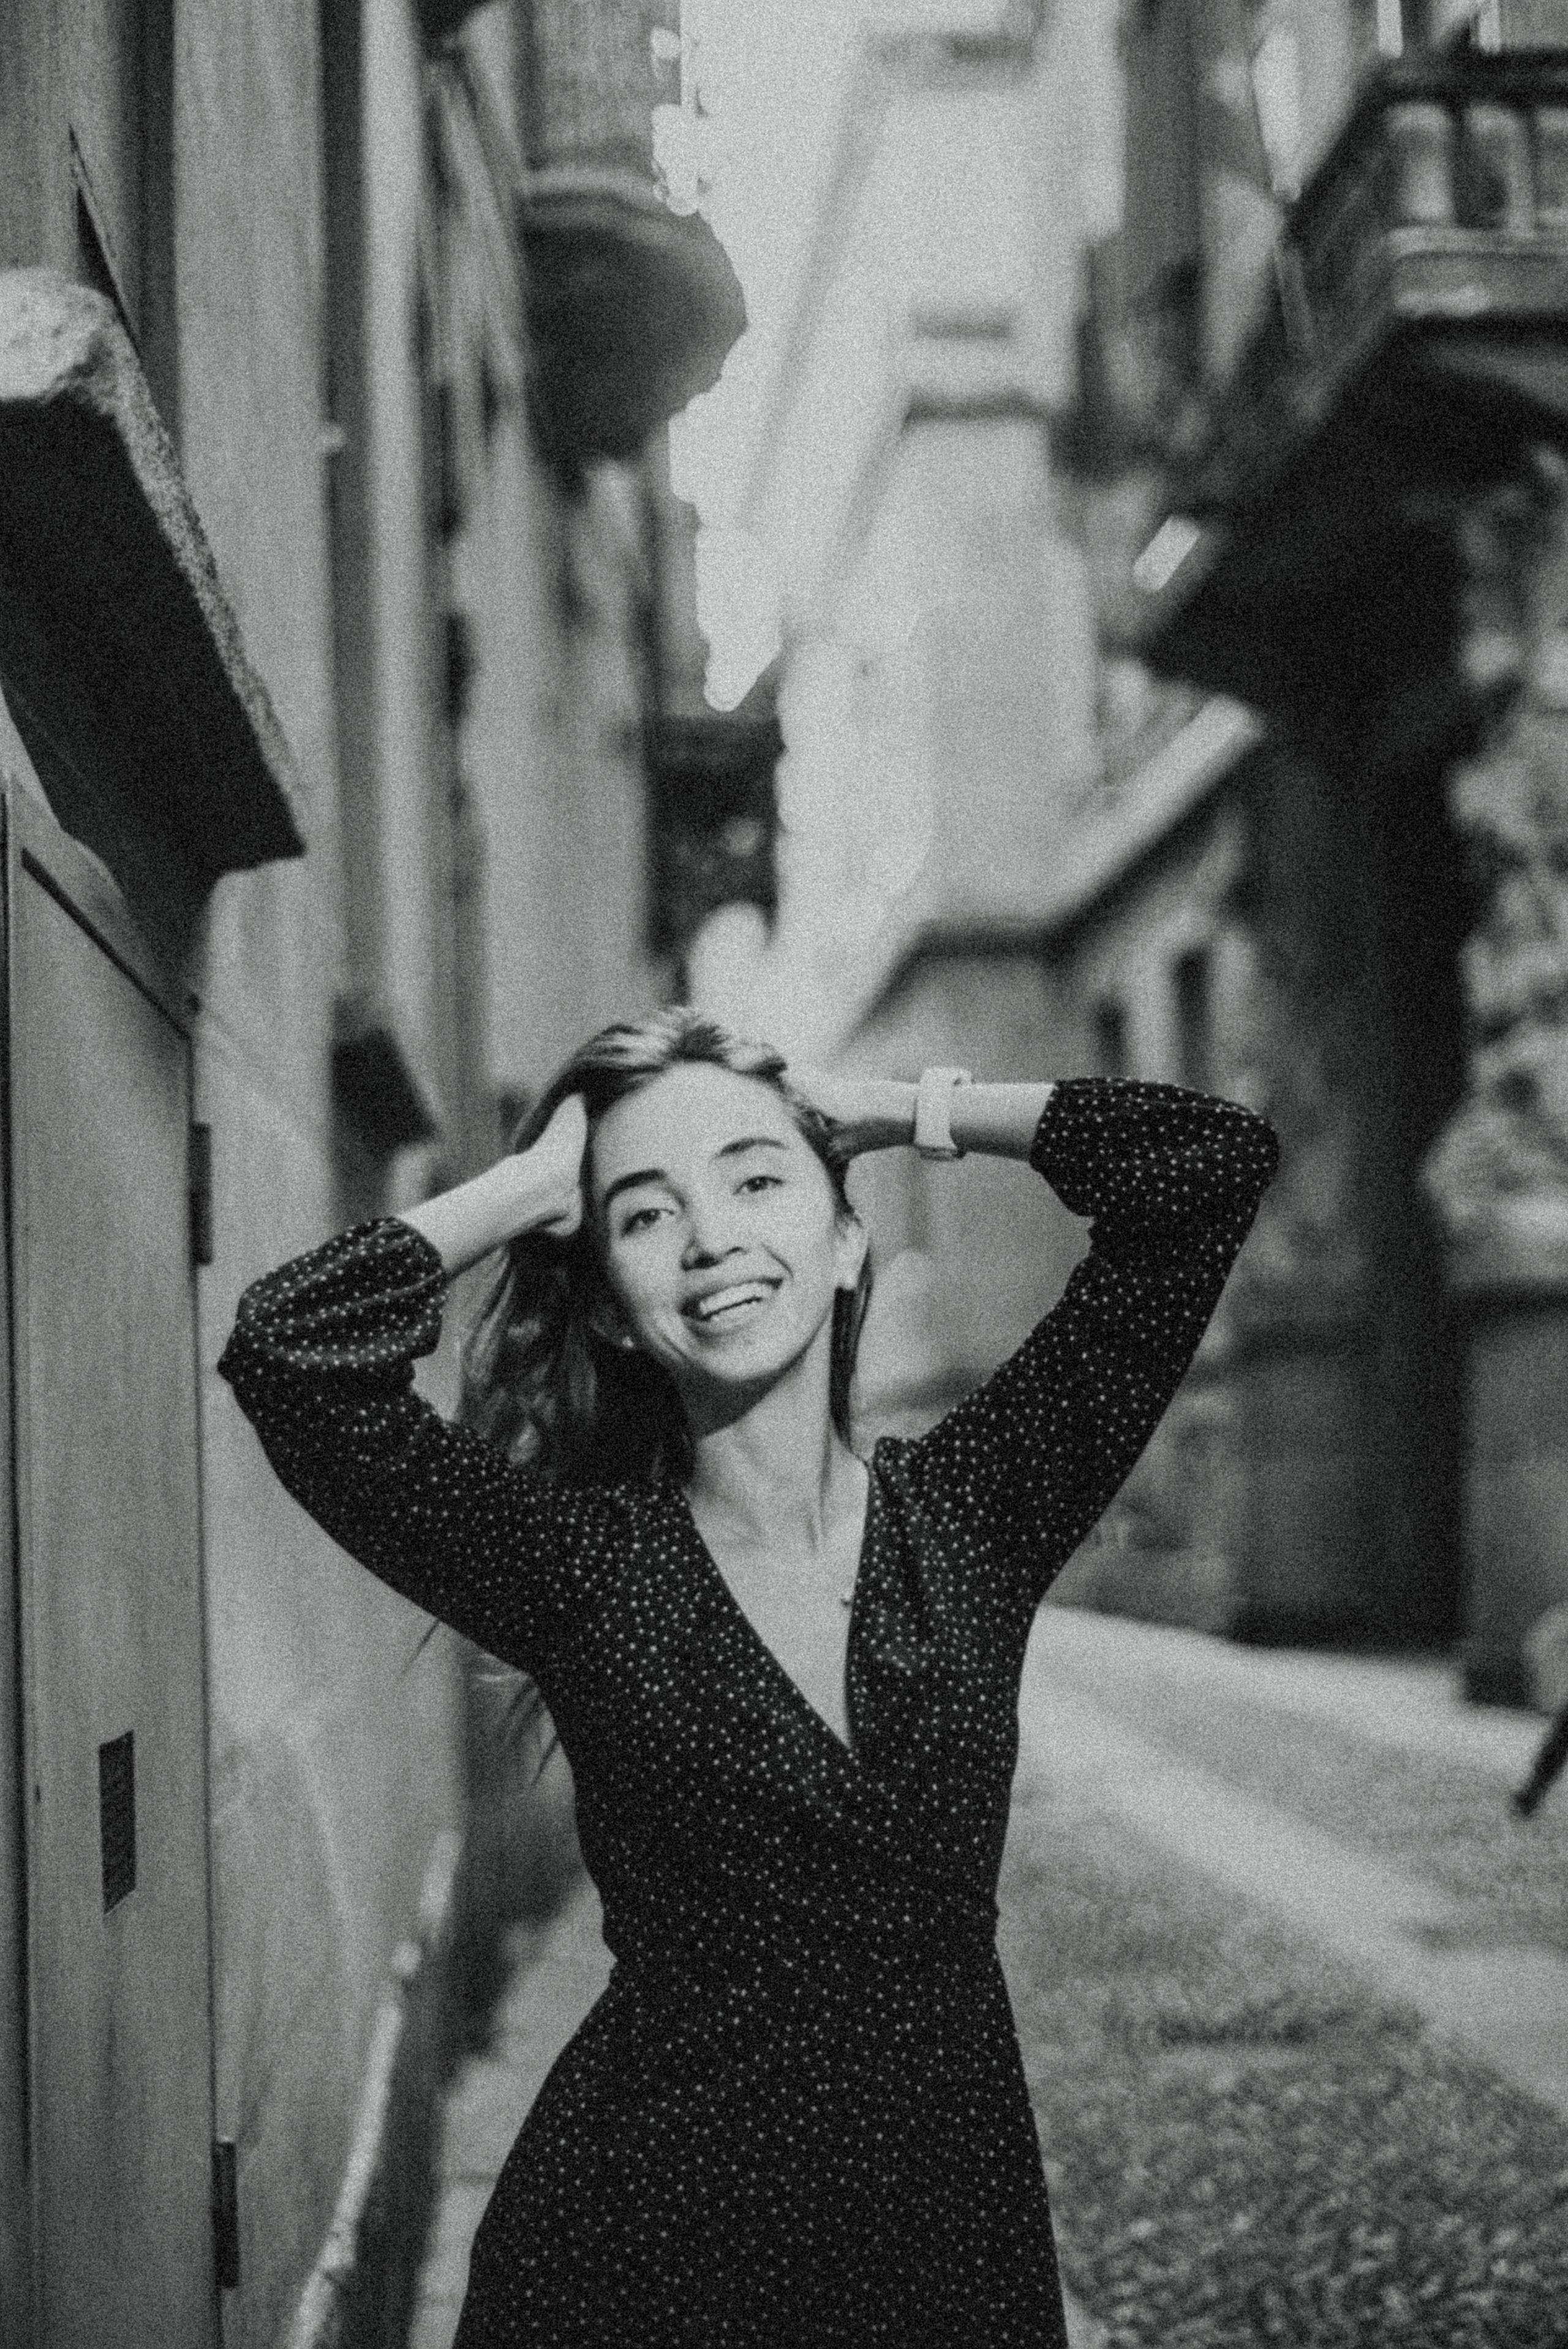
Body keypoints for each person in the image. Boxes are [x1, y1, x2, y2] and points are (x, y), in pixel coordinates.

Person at [219, 1007, 1277, 2348]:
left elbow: (1203, 1165)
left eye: (758, 1180)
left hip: (943, 2239)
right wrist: (542, 1184)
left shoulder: (973, 1512)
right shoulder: (574, 1571)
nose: (714, 1238)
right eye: (649, 1217)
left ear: (847, 1245)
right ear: (605, 1304)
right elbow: (289, 1353)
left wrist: (894, 1108)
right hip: (643, 2256)